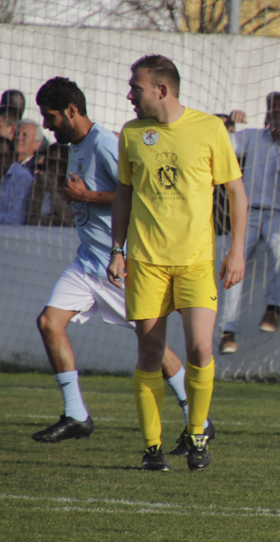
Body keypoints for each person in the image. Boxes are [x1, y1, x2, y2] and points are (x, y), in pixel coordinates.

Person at [30, 76, 202, 450]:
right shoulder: (75, 145)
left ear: (71, 111)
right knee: (48, 322)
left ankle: (197, 421)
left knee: (152, 344)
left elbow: (139, 194)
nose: (46, 124)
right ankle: (76, 414)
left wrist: (88, 196)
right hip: (86, 262)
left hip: (117, 265)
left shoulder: (107, 143)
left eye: (50, 116)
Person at [107, 55, 247, 472]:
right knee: (150, 352)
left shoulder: (209, 129)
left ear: (161, 89)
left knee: (202, 349)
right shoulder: (132, 134)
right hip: (147, 263)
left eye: (136, 87)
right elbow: (124, 195)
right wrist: (118, 250)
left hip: (196, 262)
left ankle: (197, 432)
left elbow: (236, 193)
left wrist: (236, 250)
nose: (130, 94)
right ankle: (152, 448)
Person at [218, 91, 280, 344]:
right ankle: (228, 330)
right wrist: (230, 123)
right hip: (249, 213)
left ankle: (273, 308)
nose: (275, 114)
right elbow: (226, 145)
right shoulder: (252, 137)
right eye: (271, 110)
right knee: (234, 261)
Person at [26, 143, 75, 226]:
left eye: (60, 164)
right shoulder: (37, 184)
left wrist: (53, 190)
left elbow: (70, 221)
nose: (54, 168)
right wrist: (51, 220)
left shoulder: (72, 187)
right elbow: (31, 219)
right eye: (51, 162)